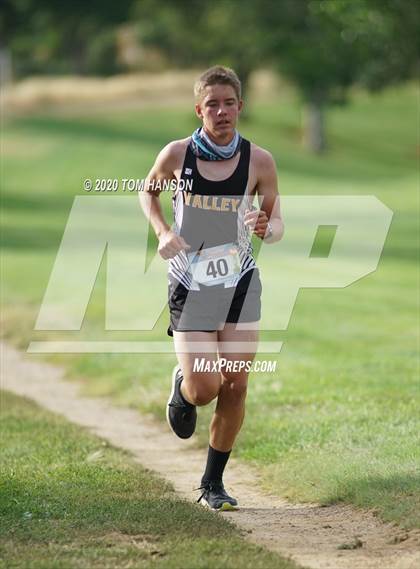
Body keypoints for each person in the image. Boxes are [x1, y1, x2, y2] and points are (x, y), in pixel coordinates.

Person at [140, 65, 283, 510]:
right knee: (205, 389)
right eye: (212, 104)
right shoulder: (177, 154)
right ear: (199, 109)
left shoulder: (259, 161)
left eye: (229, 103)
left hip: (238, 282)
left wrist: (266, 227)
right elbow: (148, 192)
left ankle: (212, 484)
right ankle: (183, 384)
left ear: (241, 106)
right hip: (191, 282)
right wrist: (163, 232)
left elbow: (275, 222)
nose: (221, 112)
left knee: (236, 385)